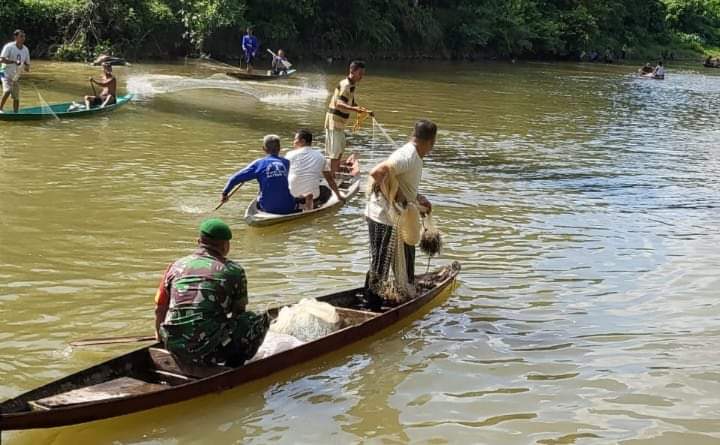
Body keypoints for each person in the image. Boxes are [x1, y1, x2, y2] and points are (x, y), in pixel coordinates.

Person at [154, 218, 270, 366]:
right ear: (225, 245)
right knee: (256, 319)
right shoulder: (233, 271)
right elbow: (239, 314)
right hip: (210, 351)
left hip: (173, 345)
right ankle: (234, 364)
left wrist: (159, 335)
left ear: (198, 242)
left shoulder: (175, 266)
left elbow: (160, 307)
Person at [363, 119, 437, 310]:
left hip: (397, 218)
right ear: (431, 141)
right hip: (383, 217)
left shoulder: (413, 156)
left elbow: (398, 181)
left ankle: (404, 293)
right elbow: (377, 173)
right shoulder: (408, 155)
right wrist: (401, 199)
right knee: (380, 263)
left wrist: (417, 198)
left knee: (406, 258)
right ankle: (372, 307)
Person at [221, 135, 304, 215]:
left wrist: (225, 194)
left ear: (264, 149)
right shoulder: (286, 162)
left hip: (268, 208)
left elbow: (234, 178)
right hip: (288, 207)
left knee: (261, 193)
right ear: (279, 148)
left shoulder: (259, 164)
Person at [324, 60, 373, 176]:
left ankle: (334, 173)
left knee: (340, 151)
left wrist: (366, 111)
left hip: (340, 124)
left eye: (363, 74)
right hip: (334, 123)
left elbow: (351, 102)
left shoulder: (352, 85)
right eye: (360, 73)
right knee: (335, 154)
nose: (362, 76)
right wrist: (356, 110)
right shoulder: (345, 85)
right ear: (352, 71)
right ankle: (331, 177)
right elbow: (339, 104)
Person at [285, 129, 343, 209]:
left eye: (295, 139)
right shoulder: (320, 156)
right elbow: (330, 180)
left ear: (303, 141)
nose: (293, 142)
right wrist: (339, 196)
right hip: (313, 197)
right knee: (327, 191)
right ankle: (313, 204)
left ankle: (301, 205)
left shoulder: (289, 155)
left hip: (292, 196)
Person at [0, 29, 31, 113]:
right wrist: (13, 62)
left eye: (24, 36)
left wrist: (27, 68)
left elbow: (27, 64)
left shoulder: (25, 49)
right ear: (15, 37)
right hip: (4, 73)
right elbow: (1, 60)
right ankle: (0, 109)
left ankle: (16, 113)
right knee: (7, 90)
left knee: (16, 97)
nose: (23, 38)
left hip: (15, 76)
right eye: (21, 36)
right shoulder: (9, 46)